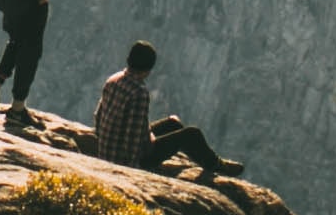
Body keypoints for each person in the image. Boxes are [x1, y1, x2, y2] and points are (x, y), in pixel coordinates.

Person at [87, 38, 242, 179]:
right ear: (149, 69)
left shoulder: (113, 79)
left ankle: (201, 157)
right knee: (191, 134)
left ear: (129, 60)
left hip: (108, 149)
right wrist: (133, 169)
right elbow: (131, 138)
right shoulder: (139, 92)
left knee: (173, 123)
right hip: (130, 158)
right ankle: (216, 165)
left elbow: (99, 117)